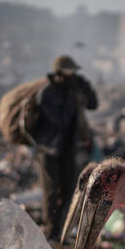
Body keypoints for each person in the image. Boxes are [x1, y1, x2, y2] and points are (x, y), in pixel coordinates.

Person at [32, 55, 98, 237]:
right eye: (69, 74)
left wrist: (85, 88)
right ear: (59, 74)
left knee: (70, 189)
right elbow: (60, 119)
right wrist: (73, 97)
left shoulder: (75, 88)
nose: (71, 78)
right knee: (52, 191)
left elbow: (93, 104)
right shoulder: (48, 93)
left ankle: (60, 229)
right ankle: (51, 230)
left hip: (70, 148)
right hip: (49, 149)